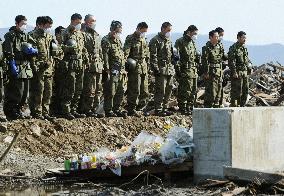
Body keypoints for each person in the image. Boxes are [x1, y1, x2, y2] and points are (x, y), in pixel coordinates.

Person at [2, 15, 37, 120]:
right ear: (16, 24)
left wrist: (33, 51)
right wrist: (12, 65)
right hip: (15, 65)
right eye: (22, 24)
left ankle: (19, 110)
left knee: (25, 92)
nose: (24, 26)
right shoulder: (10, 35)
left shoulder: (26, 36)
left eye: (25, 24)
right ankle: (11, 112)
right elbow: (8, 52)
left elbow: (35, 47)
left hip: (25, 67)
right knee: (16, 91)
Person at [60, 13, 88, 119]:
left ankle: (74, 109)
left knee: (78, 88)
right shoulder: (65, 32)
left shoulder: (80, 34)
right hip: (70, 63)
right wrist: (69, 48)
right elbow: (60, 47)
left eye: (80, 23)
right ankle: (66, 110)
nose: (79, 25)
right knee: (69, 88)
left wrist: (86, 59)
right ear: (72, 21)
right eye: (77, 23)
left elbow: (83, 48)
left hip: (80, 64)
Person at [29, 16, 56, 120]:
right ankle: (37, 113)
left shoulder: (49, 37)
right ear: (40, 25)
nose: (49, 28)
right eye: (47, 26)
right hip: (38, 69)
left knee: (48, 91)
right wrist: (37, 65)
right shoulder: (32, 36)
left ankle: (45, 112)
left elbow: (53, 52)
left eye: (50, 27)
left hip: (48, 69)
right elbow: (31, 55)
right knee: (38, 91)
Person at [80, 14, 104, 117]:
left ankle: (95, 109)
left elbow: (100, 51)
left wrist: (103, 65)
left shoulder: (97, 35)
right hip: (89, 66)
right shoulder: (83, 34)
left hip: (98, 66)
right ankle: (87, 109)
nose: (93, 23)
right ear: (86, 22)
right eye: (91, 21)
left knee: (98, 89)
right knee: (89, 89)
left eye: (94, 21)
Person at [149, 22, 175, 116]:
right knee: (161, 90)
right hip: (160, 69)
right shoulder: (155, 40)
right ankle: (158, 109)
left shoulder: (169, 40)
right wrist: (155, 69)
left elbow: (171, 55)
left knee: (169, 89)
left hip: (169, 69)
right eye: (168, 30)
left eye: (170, 30)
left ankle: (165, 108)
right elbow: (153, 56)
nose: (169, 32)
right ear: (163, 29)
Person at [124, 22, 150, 117]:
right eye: (143, 31)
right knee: (135, 89)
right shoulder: (130, 38)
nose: (144, 33)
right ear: (138, 28)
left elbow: (147, 53)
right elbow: (126, 52)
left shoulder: (144, 39)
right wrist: (125, 66)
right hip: (134, 67)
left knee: (145, 90)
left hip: (144, 67)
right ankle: (132, 109)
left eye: (145, 32)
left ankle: (141, 108)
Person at [101, 20, 126, 117]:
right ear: (112, 30)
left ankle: (117, 108)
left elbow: (121, 55)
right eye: (117, 32)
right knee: (110, 91)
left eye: (119, 32)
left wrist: (123, 69)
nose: (118, 34)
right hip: (111, 70)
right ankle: (108, 110)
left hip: (120, 70)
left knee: (120, 90)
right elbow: (105, 56)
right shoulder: (106, 40)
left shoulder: (119, 41)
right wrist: (107, 69)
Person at [175, 25, 200, 114]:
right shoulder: (180, 41)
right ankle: (183, 108)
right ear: (189, 32)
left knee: (193, 90)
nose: (195, 35)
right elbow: (176, 57)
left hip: (193, 70)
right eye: (194, 33)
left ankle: (190, 107)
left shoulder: (192, 42)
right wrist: (178, 71)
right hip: (185, 70)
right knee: (185, 90)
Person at [202, 30, 227, 108]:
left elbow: (224, 57)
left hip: (219, 71)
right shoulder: (206, 48)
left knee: (219, 90)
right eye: (216, 36)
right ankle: (208, 106)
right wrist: (206, 72)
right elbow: (205, 61)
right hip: (211, 72)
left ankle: (217, 104)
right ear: (210, 37)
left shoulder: (219, 46)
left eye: (218, 36)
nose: (217, 38)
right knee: (211, 90)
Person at [228, 31, 252, 107]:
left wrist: (249, 68)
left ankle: (242, 105)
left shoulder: (244, 48)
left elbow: (247, 60)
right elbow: (231, 61)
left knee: (245, 90)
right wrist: (234, 72)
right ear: (238, 38)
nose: (245, 39)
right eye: (243, 38)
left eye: (245, 38)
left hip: (244, 72)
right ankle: (235, 105)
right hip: (237, 72)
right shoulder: (233, 48)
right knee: (237, 90)